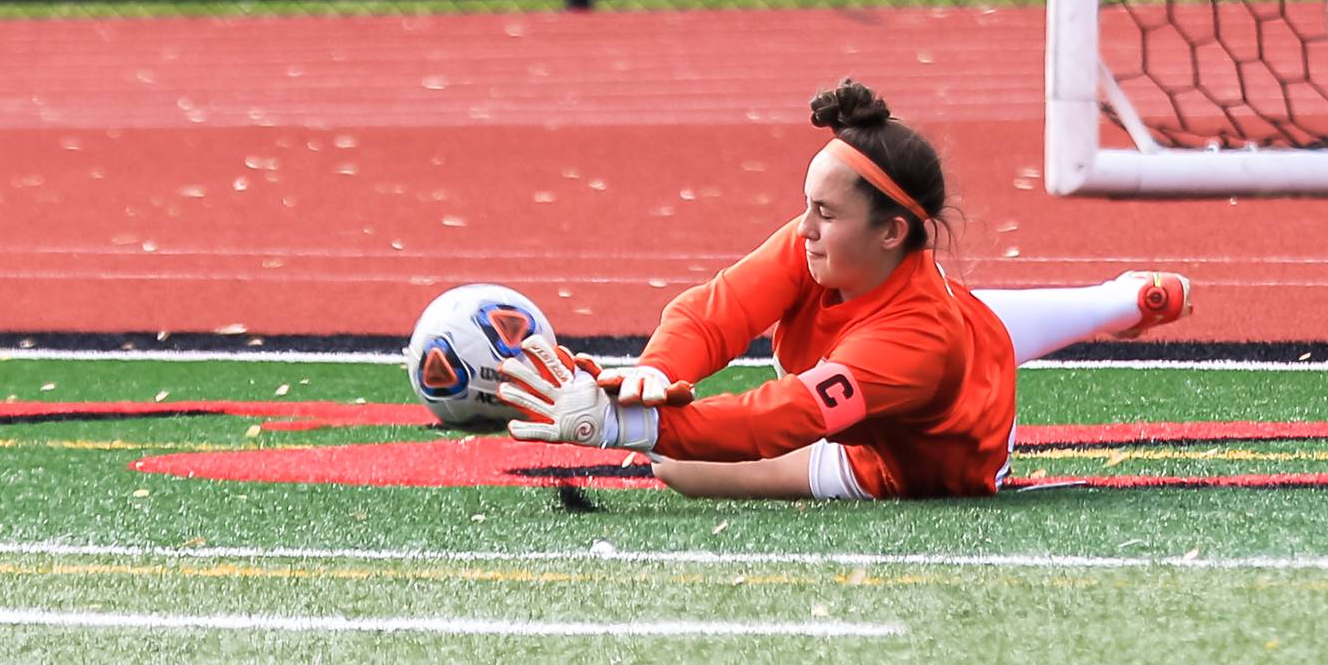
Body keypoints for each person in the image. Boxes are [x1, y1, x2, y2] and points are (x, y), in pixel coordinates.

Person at [498, 78, 1191, 500]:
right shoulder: (835, 246)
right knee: (982, 322)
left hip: (929, 458)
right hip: (965, 330)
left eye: (824, 213)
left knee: (676, 469)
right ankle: (1126, 298)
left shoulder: (910, 344)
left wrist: (638, 427)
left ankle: (1116, 299)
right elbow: (717, 311)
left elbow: (784, 417)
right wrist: (654, 371)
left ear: (891, 232)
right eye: (807, 206)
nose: (802, 229)